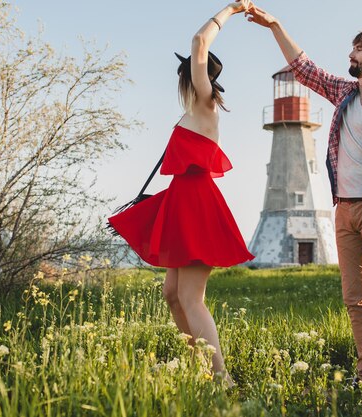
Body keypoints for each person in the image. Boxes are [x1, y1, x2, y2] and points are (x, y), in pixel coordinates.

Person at [246, 6, 362, 386]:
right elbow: (304, 68)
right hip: (344, 211)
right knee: (356, 300)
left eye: (357, 50)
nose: (350, 55)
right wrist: (275, 24)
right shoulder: (345, 94)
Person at [108, 1, 254, 386]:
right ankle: (200, 367)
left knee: (191, 298)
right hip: (181, 203)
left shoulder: (206, 105)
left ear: (193, 74)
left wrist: (231, 10)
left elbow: (198, 41)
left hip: (197, 205)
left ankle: (222, 379)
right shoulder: (190, 111)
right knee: (172, 293)